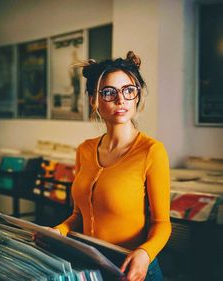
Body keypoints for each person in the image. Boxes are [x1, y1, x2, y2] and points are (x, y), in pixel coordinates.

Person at [54, 51, 171, 281]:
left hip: (133, 267)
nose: (121, 100)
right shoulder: (85, 150)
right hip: (89, 263)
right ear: (94, 100)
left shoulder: (151, 151)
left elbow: (162, 224)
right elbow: (79, 214)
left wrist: (144, 254)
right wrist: (58, 231)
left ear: (137, 96)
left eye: (129, 91)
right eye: (109, 92)